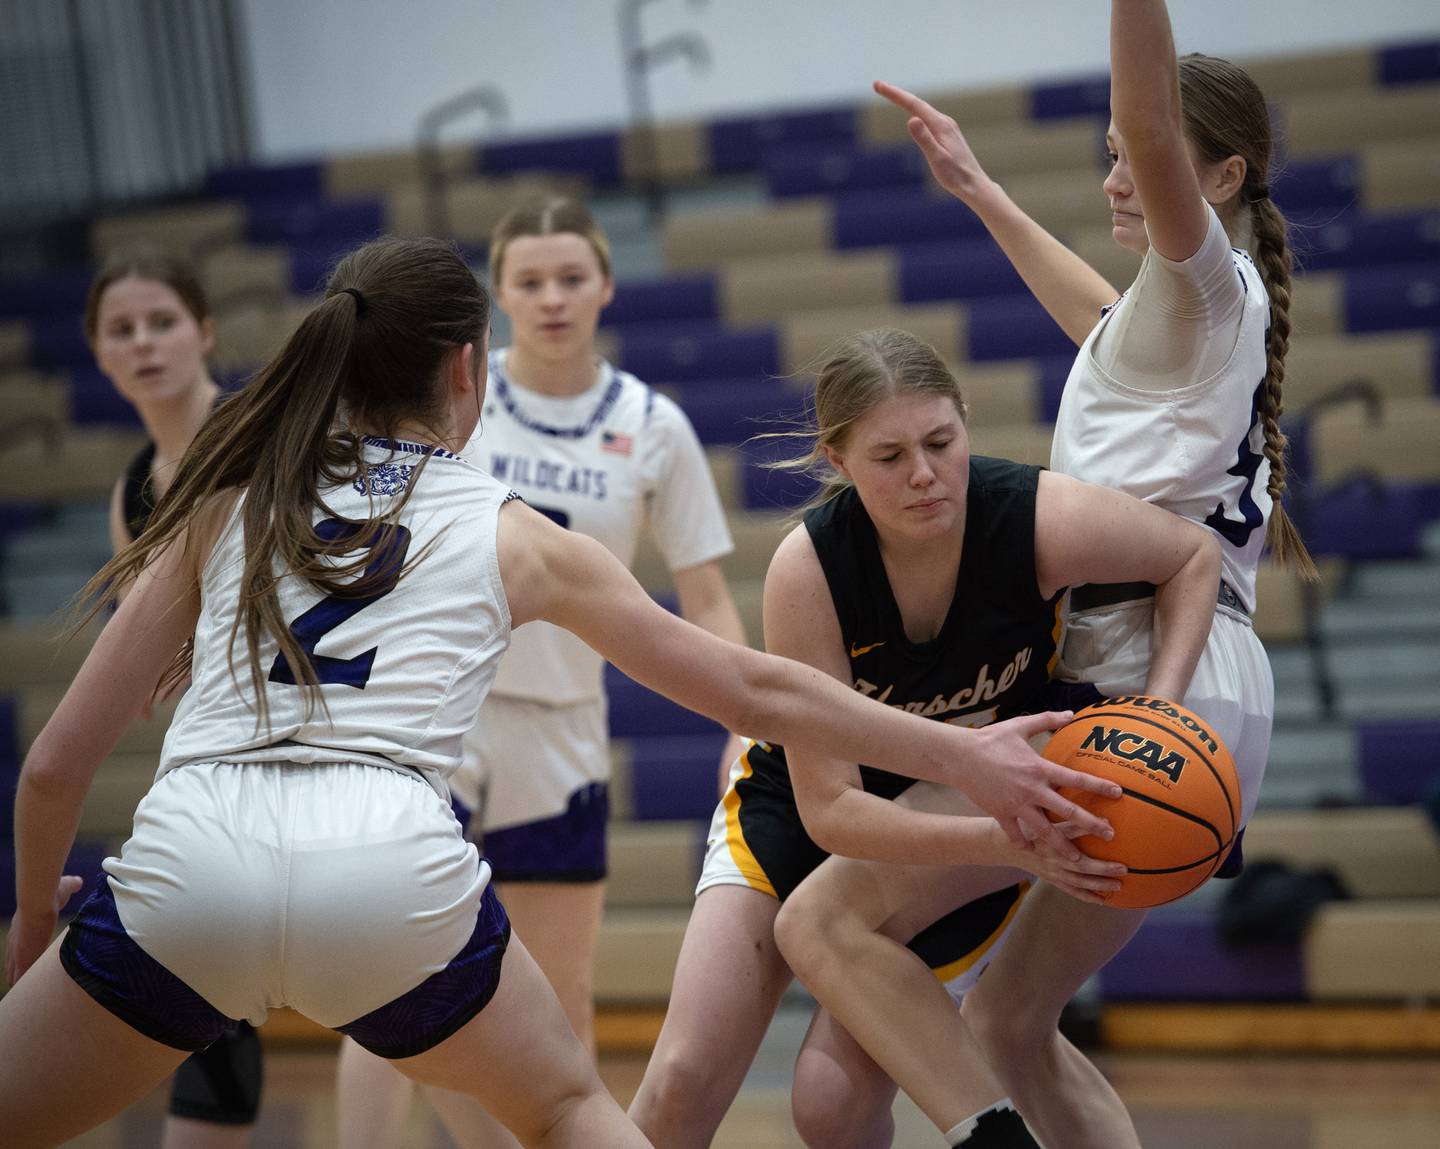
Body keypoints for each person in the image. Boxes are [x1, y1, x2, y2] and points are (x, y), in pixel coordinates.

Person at [0, 236, 1118, 1149]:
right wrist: (966, 754)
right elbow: (748, 687)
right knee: (573, 1110)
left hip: (196, 854)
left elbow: (55, 764)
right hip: (386, 863)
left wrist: (35, 919)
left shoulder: (220, 499)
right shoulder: (509, 528)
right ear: (468, 370)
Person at [774, 4, 1313, 1146]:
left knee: (826, 923)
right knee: (1012, 1020)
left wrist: (1156, 716)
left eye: (1135, 157)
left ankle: (987, 1139)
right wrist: (978, 189)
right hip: (1212, 674)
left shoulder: (1207, 285)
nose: (1121, 174)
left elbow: (1153, 121)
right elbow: (1092, 313)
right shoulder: (1183, 320)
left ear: (1222, 176)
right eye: (1110, 160)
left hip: (1151, 660)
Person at [627, 327, 1222, 1149]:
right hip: (809, 801)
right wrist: (1009, 840)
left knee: (830, 1102)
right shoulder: (810, 571)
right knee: (681, 1083)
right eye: (889, 456)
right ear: (837, 460)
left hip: (957, 805)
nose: (924, 474)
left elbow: (1191, 555)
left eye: (941, 441)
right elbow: (830, 810)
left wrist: (1161, 711)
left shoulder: (1031, 516)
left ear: (966, 422)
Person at [333, 196, 749, 1147]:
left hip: (565, 730)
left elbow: (707, 596)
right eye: (529, 280)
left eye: (572, 277)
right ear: (498, 300)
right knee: (384, 979)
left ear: (605, 284)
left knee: (558, 1001)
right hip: (442, 717)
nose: (553, 297)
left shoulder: (654, 423)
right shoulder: (454, 403)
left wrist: (741, 718)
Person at [86, 248, 265, 1148]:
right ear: (98, 353)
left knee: (416, 1026)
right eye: (122, 330)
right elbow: (149, 660)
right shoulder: (131, 489)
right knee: (208, 997)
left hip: (309, 743)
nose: (144, 342)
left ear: (203, 330)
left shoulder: (259, 433)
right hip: (209, 766)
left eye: (161, 321)